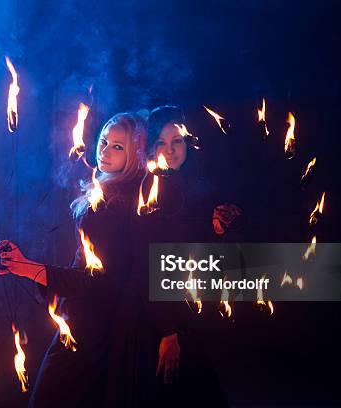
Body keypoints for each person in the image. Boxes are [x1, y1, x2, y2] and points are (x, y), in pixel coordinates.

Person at [0, 112, 147, 407]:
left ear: (135, 153)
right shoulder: (113, 194)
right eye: (104, 142)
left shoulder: (113, 207)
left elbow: (94, 281)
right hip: (94, 321)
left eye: (118, 147)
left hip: (91, 326)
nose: (104, 152)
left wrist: (26, 268)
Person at [106, 105, 237, 406]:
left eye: (176, 141)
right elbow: (146, 264)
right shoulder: (149, 190)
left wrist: (216, 228)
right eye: (161, 143)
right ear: (151, 147)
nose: (170, 150)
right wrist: (167, 332)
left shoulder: (191, 186)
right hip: (151, 319)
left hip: (183, 314)